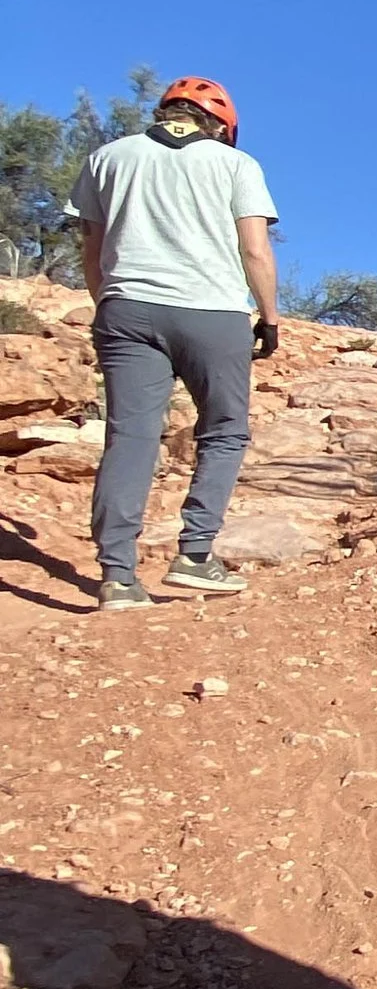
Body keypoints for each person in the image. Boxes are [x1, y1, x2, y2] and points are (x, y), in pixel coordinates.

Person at [67, 75, 280, 611]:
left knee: (131, 437)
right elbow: (254, 250)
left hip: (125, 309)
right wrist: (270, 317)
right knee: (225, 430)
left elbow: (92, 253)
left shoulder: (107, 158)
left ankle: (117, 577)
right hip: (212, 311)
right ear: (223, 126)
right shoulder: (236, 165)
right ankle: (194, 554)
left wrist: (109, 305)